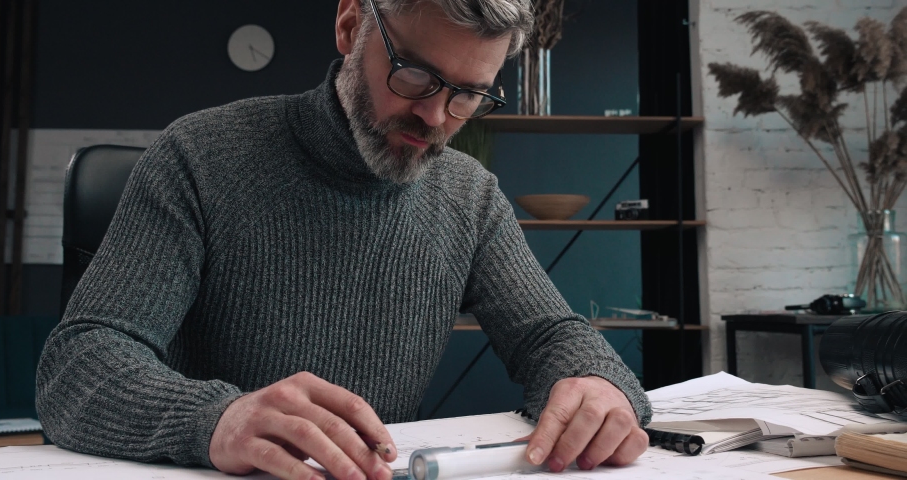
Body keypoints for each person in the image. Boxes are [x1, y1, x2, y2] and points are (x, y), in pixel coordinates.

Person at [36, 0, 652, 479]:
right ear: (350, 24)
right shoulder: (197, 158)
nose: (437, 119)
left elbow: (550, 334)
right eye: (417, 75)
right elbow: (78, 362)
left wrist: (596, 382)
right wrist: (214, 419)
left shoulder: (469, 196)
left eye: (467, 94)